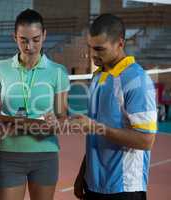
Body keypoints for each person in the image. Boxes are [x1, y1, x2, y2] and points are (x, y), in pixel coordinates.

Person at [64, 14, 157, 200]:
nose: (93, 55)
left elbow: (146, 140)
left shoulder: (136, 79)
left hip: (124, 189)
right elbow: (96, 134)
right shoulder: (99, 76)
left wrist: (93, 126)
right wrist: (84, 173)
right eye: (90, 47)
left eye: (100, 49)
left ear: (120, 44)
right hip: (94, 185)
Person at [0, 9, 70, 200]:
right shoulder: (0, 68)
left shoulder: (58, 71)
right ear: (14, 37)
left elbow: (62, 118)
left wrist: (55, 122)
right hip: (10, 156)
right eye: (23, 39)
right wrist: (21, 123)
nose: (30, 46)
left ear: (44, 35)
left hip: (46, 156)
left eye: (36, 39)